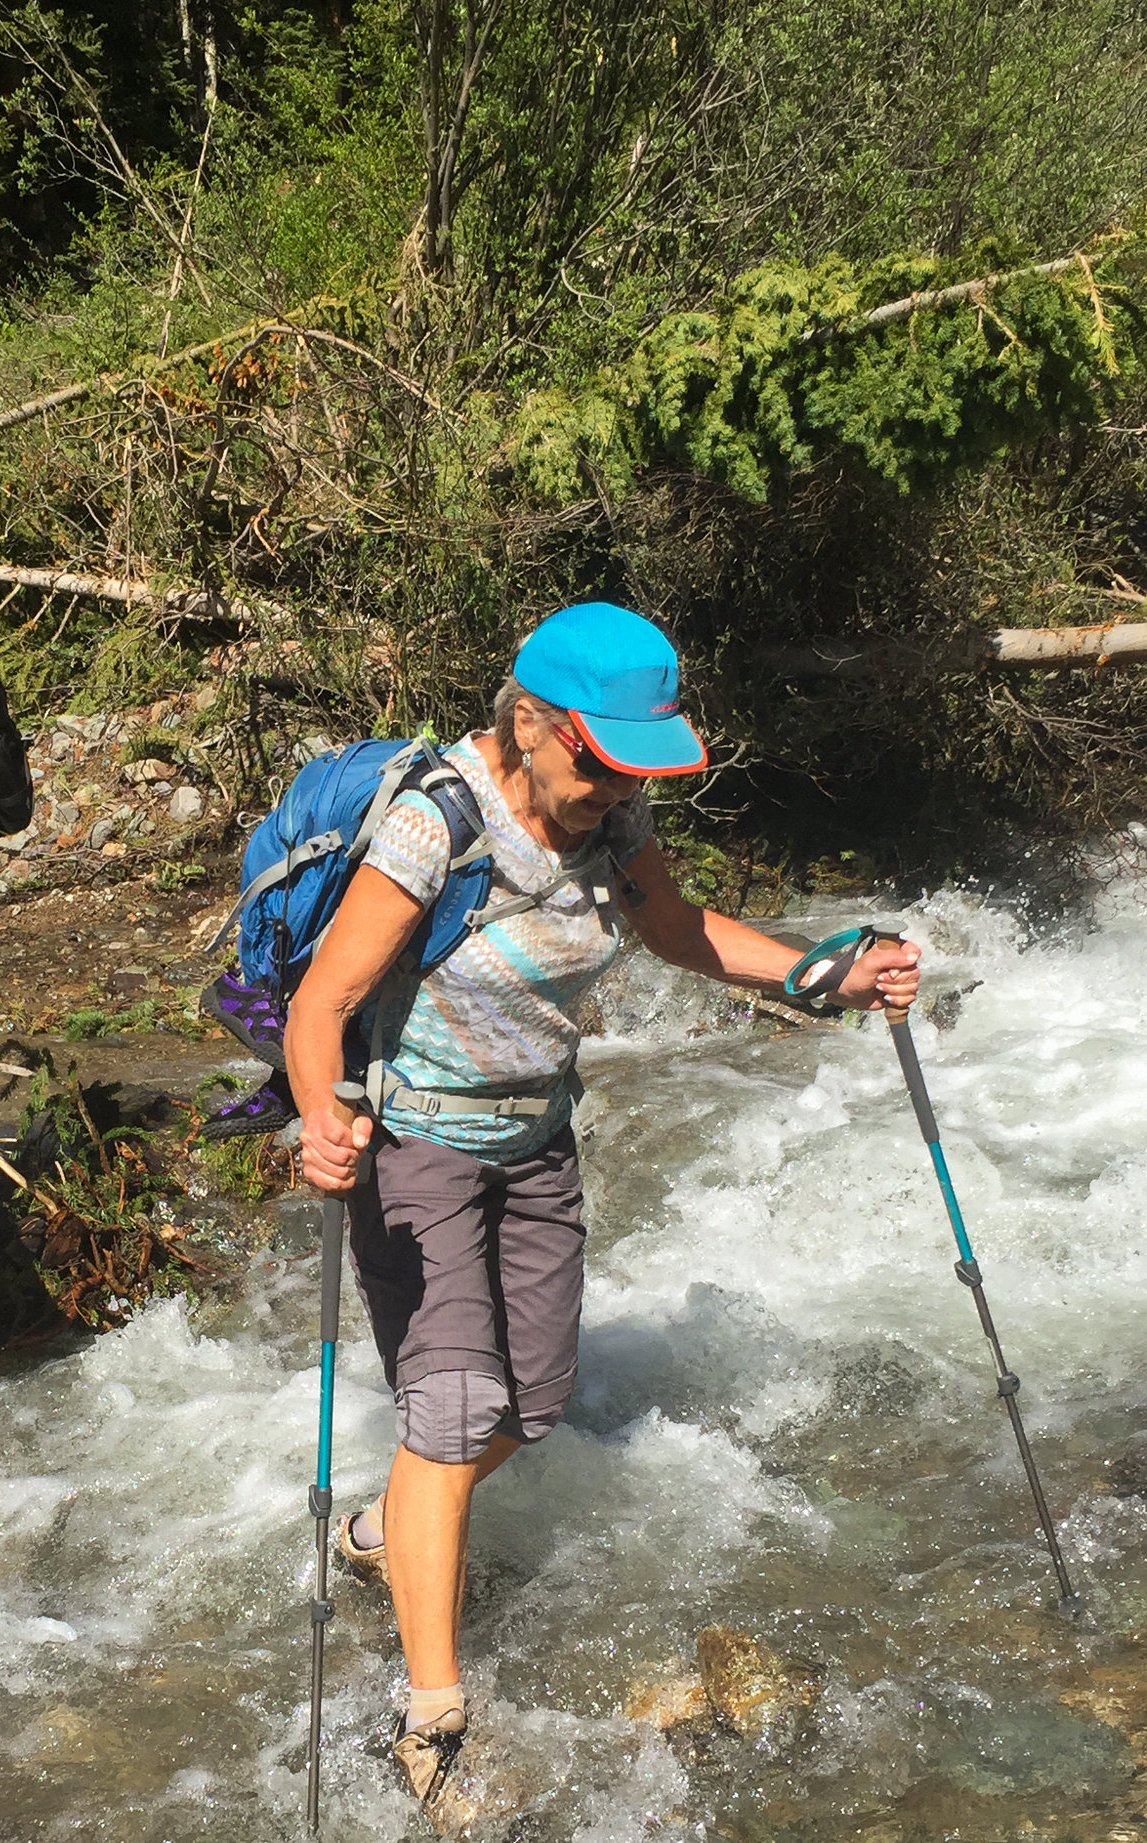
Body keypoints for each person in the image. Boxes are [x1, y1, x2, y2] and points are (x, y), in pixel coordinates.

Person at [285, 602, 920, 1822]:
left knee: (531, 1402)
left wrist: (818, 971)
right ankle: (433, 1713)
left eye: (633, 762)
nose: (611, 786)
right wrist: (322, 1118)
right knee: (454, 1412)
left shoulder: (612, 813)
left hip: (534, 1141)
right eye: (594, 757)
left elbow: (675, 932)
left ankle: (379, 1533)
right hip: (415, 1148)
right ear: (528, 722)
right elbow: (325, 1003)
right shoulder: (436, 825)